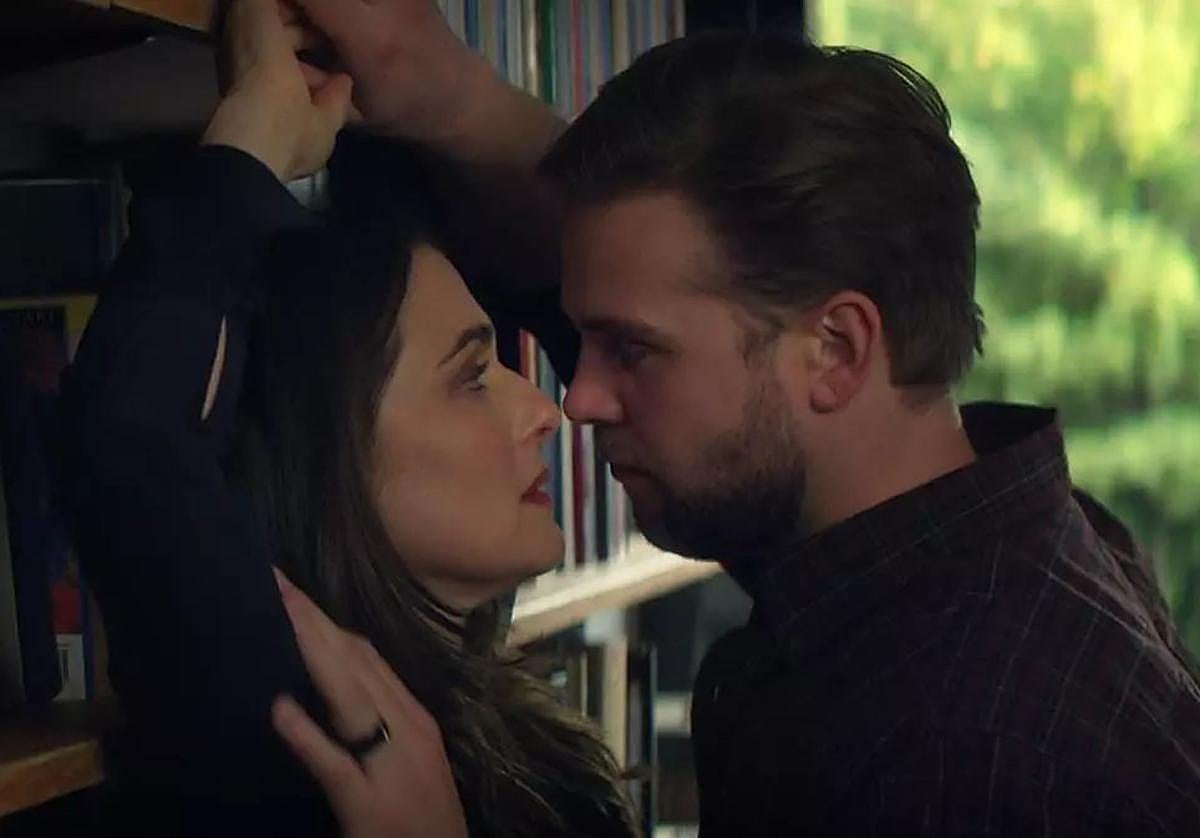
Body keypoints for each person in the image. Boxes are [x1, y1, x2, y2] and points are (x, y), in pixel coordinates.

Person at [280, 0, 1200, 835]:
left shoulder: (954, 760)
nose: (577, 397)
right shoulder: (999, 553)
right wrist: (447, 92)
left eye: (633, 349)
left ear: (835, 349)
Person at [63, 1, 635, 836]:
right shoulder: (295, 737)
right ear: (324, 452)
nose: (550, 409)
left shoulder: (531, 749)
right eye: (471, 378)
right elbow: (134, 441)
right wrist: (255, 131)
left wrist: (451, 95)